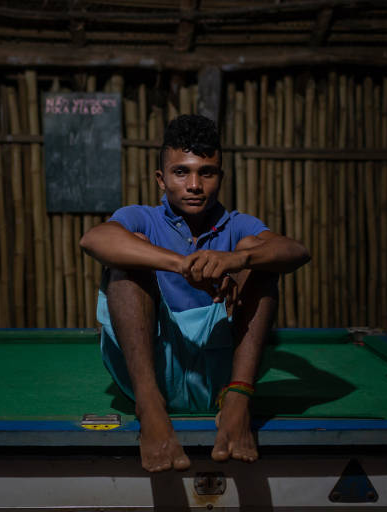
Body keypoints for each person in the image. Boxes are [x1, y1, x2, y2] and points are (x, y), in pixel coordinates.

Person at [79, 114, 310, 472]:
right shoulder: (142, 217)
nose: (194, 185)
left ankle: (238, 401)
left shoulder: (238, 225)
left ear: (221, 177)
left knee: (260, 255)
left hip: (220, 374)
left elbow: (297, 251)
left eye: (207, 173)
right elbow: (93, 240)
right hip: (152, 371)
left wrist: (236, 259)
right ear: (161, 179)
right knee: (128, 253)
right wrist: (183, 264)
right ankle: (150, 407)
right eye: (181, 172)